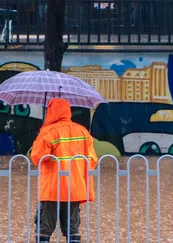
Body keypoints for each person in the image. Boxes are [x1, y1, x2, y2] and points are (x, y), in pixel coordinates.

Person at [30, 98, 98, 243]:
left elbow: (37, 157)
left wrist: (40, 137)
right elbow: (92, 160)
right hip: (74, 188)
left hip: (52, 189)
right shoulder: (83, 131)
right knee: (72, 227)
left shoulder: (48, 132)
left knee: (44, 228)